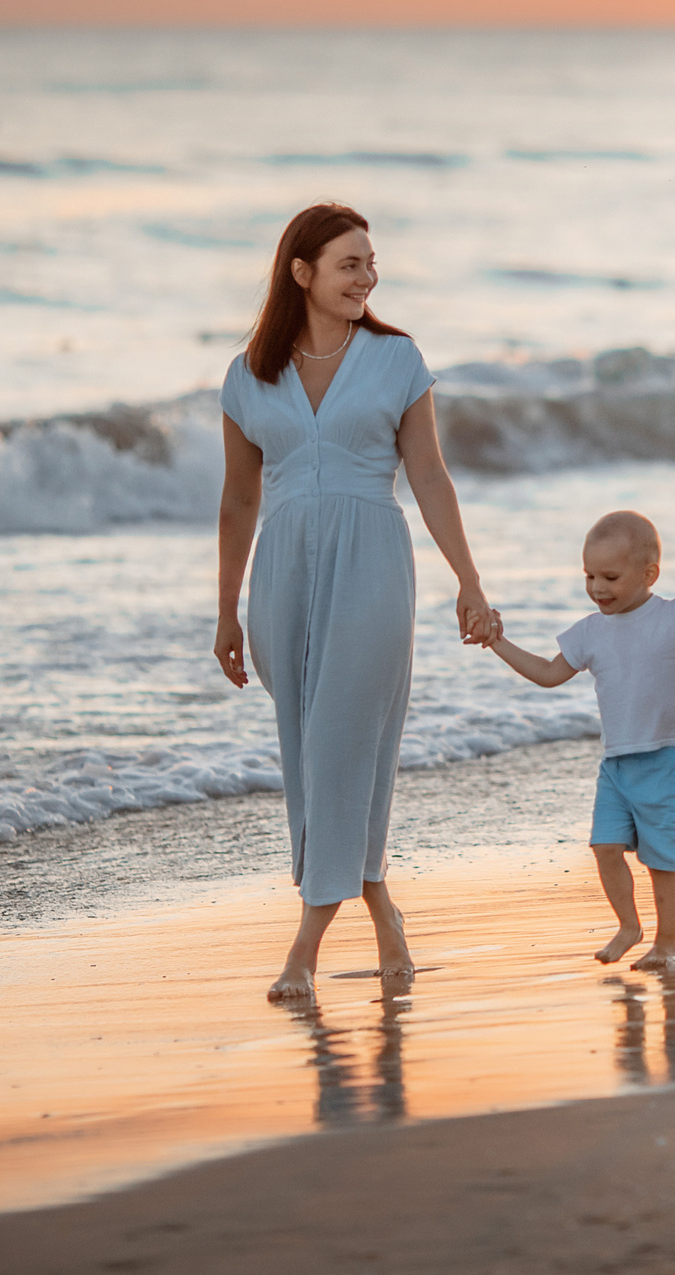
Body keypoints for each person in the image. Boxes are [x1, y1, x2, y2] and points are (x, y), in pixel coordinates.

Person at [214, 202, 498, 1003]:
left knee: (341, 740)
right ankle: (383, 909)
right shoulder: (248, 374)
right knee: (315, 751)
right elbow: (238, 499)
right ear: (300, 272)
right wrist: (227, 609)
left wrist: (468, 581)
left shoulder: (396, 358)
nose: (366, 277)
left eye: (370, 263)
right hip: (282, 570)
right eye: (349, 263)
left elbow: (431, 477)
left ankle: (303, 949)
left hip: (373, 559)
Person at [479, 510, 675, 973]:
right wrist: (497, 642)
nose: (597, 587)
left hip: (670, 758)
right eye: (589, 575)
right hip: (617, 765)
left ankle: (668, 942)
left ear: (649, 574)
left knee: (663, 862)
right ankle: (629, 925)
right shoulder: (590, 631)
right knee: (604, 848)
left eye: (609, 576)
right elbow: (549, 675)